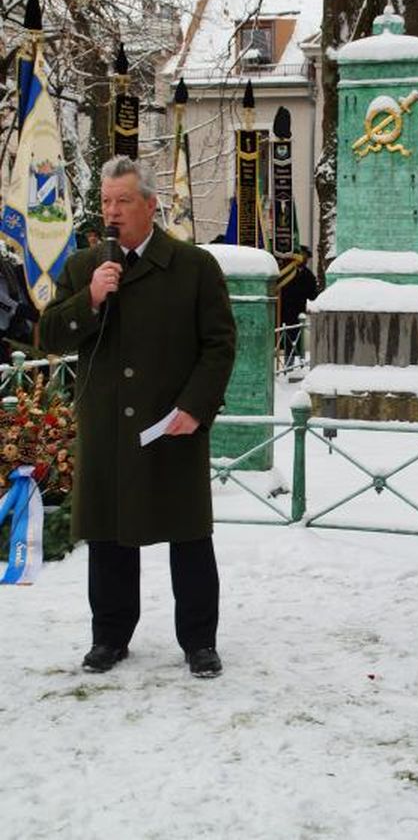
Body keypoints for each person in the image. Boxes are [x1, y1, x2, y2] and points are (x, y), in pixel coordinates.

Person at [39, 156, 236, 677]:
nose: (112, 212)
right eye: (106, 201)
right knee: (107, 535)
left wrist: (195, 408)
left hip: (171, 425)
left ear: (151, 204)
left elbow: (218, 346)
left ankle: (199, 642)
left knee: (188, 535)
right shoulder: (85, 268)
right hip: (108, 426)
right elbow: (51, 335)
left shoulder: (194, 267)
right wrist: (91, 298)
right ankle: (109, 636)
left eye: (123, 201)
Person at [279, 245, 318, 360]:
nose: (304, 259)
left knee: (293, 340)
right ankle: (288, 363)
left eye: (305, 256)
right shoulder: (285, 272)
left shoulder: (307, 274)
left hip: (296, 312)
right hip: (284, 310)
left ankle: (292, 363)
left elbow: (312, 295)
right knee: (285, 339)